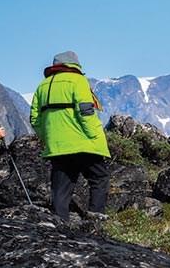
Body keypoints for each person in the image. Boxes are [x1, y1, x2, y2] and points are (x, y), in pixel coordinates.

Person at [29, 51, 111, 220]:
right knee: (99, 178)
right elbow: (86, 112)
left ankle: (59, 223)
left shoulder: (42, 86)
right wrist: (95, 136)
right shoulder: (78, 80)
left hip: (57, 146)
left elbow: (35, 119)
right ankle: (95, 220)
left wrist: (46, 137)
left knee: (61, 188)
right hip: (84, 143)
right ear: (75, 64)